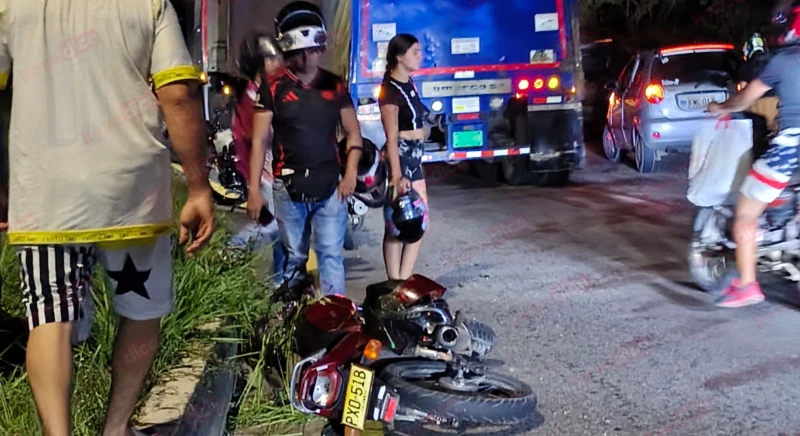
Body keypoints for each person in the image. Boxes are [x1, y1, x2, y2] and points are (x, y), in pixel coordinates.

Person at [0, 1, 214, 435]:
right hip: (132, 190)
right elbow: (178, 94)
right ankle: (115, 428)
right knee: (141, 310)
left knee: (50, 319)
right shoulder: (151, 4)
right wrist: (197, 187)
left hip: (46, 190)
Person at [249, 1, 363, 297]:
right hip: (288, 187)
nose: (308, 58)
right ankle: (294, 323)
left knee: (330, 257)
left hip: (330, 187)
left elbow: (353, 133)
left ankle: (336, 321)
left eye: (313, 51)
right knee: (295, 260)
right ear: (289, 52)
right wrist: (253, 191)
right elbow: (260, 140)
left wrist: (350, 174)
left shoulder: (334, 87)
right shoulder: (273, 88)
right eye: (301, 53)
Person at [707, 2, 800, 308]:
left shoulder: (783, 61)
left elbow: (744, 100)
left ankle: (747, 285)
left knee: (746, 212)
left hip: (791, 145)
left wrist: (719, 107)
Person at [229, 32, 285, 285]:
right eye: (271, 57)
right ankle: (229, 252)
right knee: (272, 226)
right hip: (264, 173)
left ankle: (282, 281)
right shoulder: (254, 98)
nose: (278, 61)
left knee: (280, 232)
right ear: (257, 63)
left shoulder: (264, 92)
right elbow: (257, 140)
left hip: (271, 171)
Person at [379, 34, 429, 280]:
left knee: (419, 220)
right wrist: (396, 175)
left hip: (415, 157)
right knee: (398, 222)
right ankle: (395, 282)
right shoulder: (390, 90)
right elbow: (391, 137)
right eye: (415, 52)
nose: (421, 56)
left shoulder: (410, 82)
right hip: (401, 157)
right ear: (399, 56)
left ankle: (403, 281)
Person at [738, 32, 779, 135]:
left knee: (758, 137)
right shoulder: (774, 61)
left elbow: (743, 90)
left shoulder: (745, 67)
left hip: (756, 106)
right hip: (775, 104)